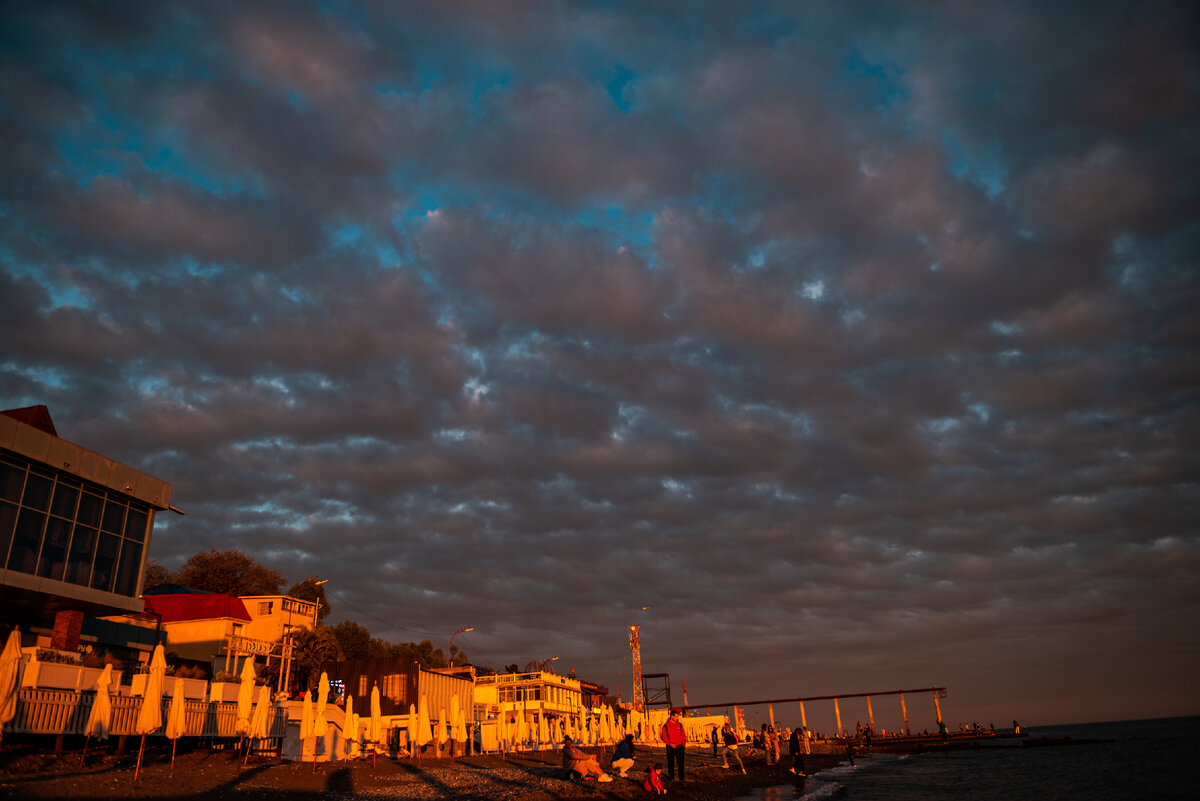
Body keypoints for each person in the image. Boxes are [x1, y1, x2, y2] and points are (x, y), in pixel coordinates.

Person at [660, 707, 686, 782]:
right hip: (670, 747)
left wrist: (683, 745)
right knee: (670, 763)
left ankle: (682, 779)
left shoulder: (680, 725)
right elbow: (664, 737)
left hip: (679, 746)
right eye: (676, 716)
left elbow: (683, 735)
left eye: (678, 716)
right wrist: (670, 744)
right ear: (672, 716)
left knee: (681, 764)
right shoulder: (665, 726)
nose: (678, 718)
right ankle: (671, 777)